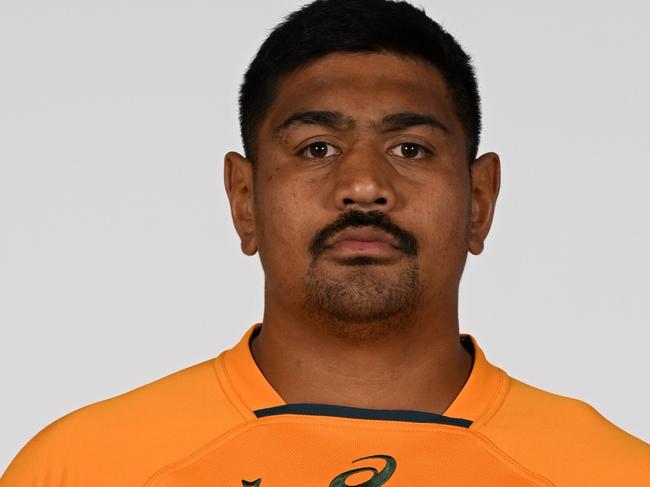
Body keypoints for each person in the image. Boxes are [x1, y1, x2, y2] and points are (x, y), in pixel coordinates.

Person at [2, 0, 648, 485]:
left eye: (410, 148)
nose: (364, 185)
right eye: (318, 148)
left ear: (479, 201)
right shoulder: (83, 467)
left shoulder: (611, 473)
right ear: (244, 198)